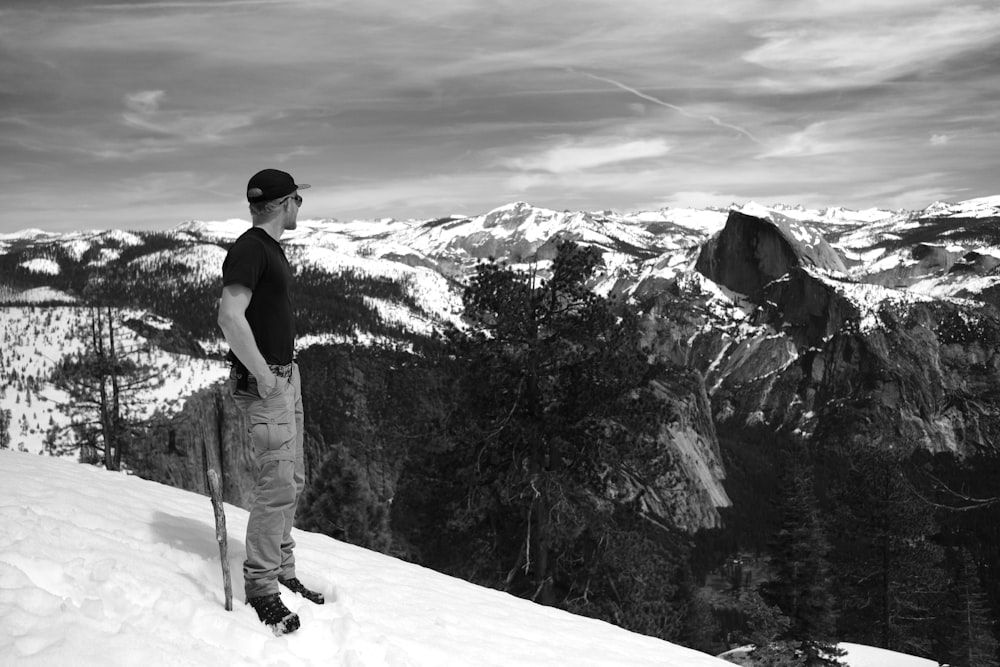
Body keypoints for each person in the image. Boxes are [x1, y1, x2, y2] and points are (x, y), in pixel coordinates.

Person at [217, 168, 324, 636]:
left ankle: (282, 568)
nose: (301, 207)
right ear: (285, 203)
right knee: (277, 482)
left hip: (285, 376)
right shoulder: (250, 248)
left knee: (292, 477)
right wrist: (264, 377)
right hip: (269, 383)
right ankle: (262, 588)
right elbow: (229, 315)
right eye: (298, 200)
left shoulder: (265, 249)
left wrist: (281, 376)